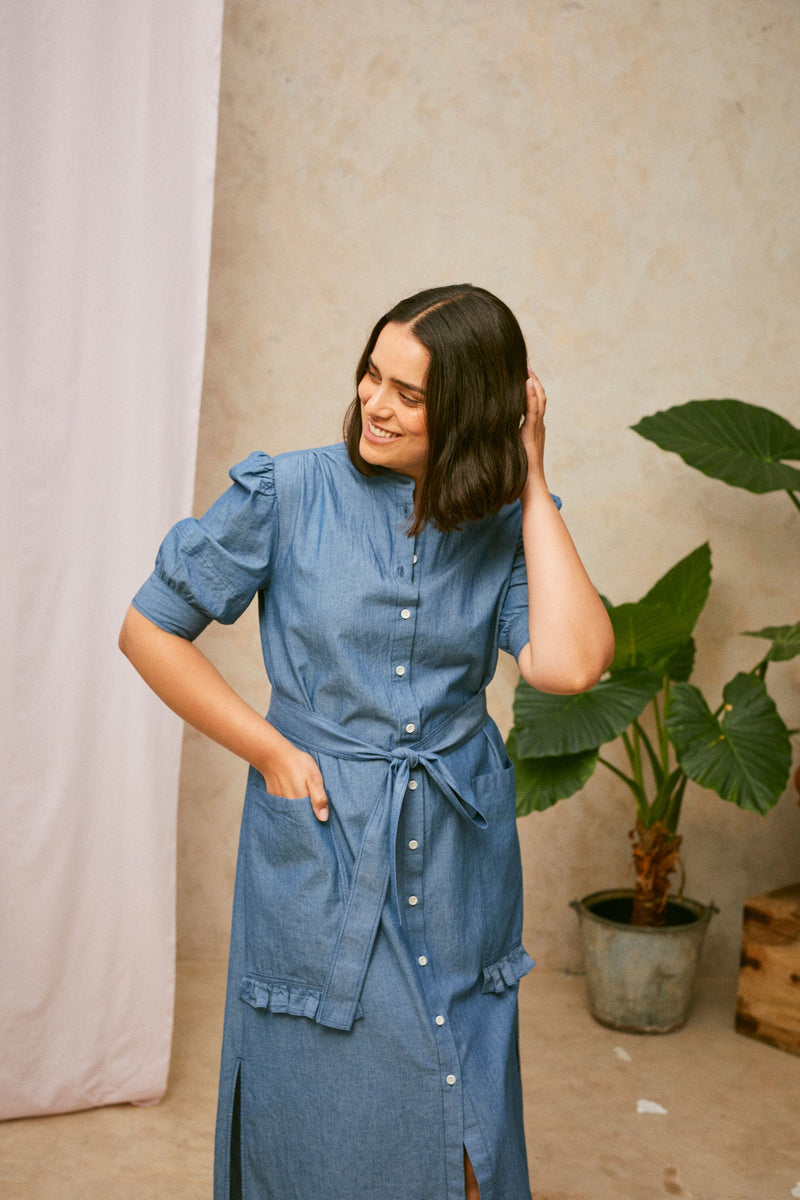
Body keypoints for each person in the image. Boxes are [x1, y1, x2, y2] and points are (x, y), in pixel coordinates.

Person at [119, 284, 614, 1200]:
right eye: (371, 374)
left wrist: (535, 483)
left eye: (411, 394)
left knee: (465, 1103)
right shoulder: (290, 490)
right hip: (322, 834)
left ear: (469, 412)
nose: (375, 404)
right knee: (327, 1096)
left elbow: (572, 665)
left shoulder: (504, 521)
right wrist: (269, 748)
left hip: (461, 848)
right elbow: (148, 627)